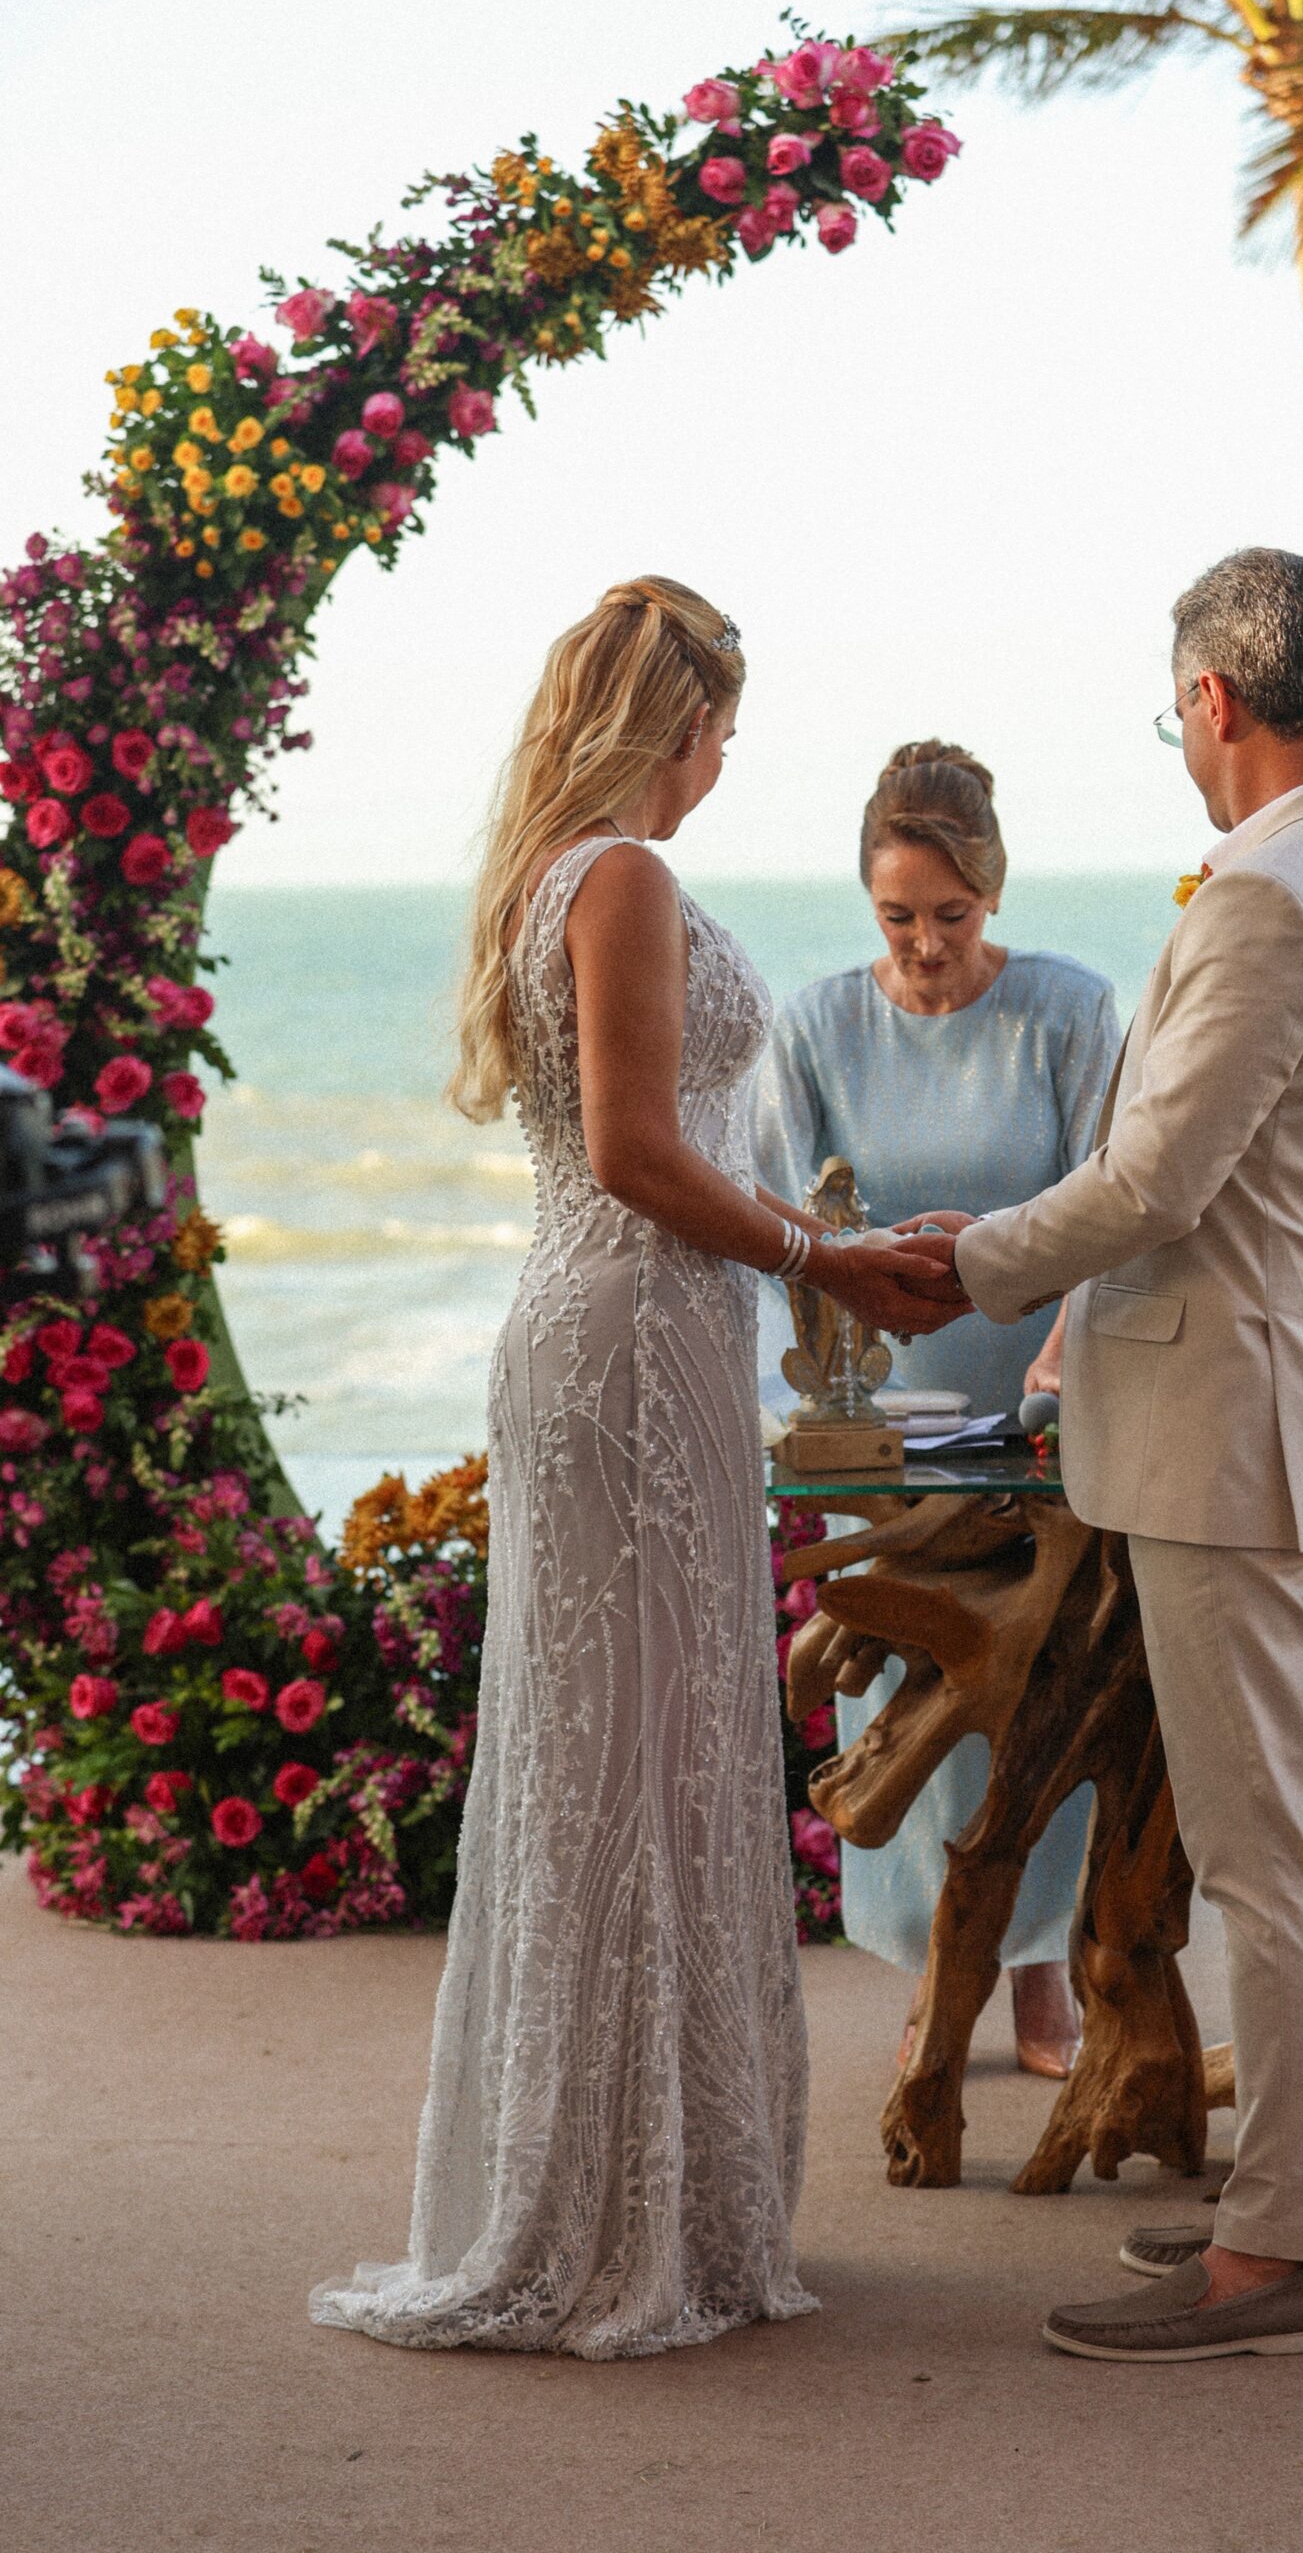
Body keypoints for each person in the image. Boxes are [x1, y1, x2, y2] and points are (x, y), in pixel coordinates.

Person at [309, 578, 957, 2361]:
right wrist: (822, 1262)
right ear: (666, 723)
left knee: (629, 1754)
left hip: (628, 1349)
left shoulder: (560, 877)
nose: (727, 759)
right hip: (627, 1352)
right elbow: (635, 1150)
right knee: (632, 1760)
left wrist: (818, 1250)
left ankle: (629, 2192)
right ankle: (614, 2216)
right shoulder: (624, 877)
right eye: (721, 725)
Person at [897, 549, 1303, 2364]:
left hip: (1231, 1434)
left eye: (1173, 713)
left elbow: (1155, 1186)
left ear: (1214, 699)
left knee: (1264, 1845)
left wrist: (962, 1265)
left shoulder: (1270, 898)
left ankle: (1277, 2263)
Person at [750, 741, 1120, 2076]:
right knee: (913, 1692)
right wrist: (803, 1412)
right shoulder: (813, 1028)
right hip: (880, 1414)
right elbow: (777, 1218)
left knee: (1039, 1686)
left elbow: (1109, 1203)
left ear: (994, 895)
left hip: (1036, 1414)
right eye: (897, 918)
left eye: (949, 918)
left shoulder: (1072, 1012)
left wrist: (1066, 1364)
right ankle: (937, 1978)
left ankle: (1038, 1984)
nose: (924, 946)